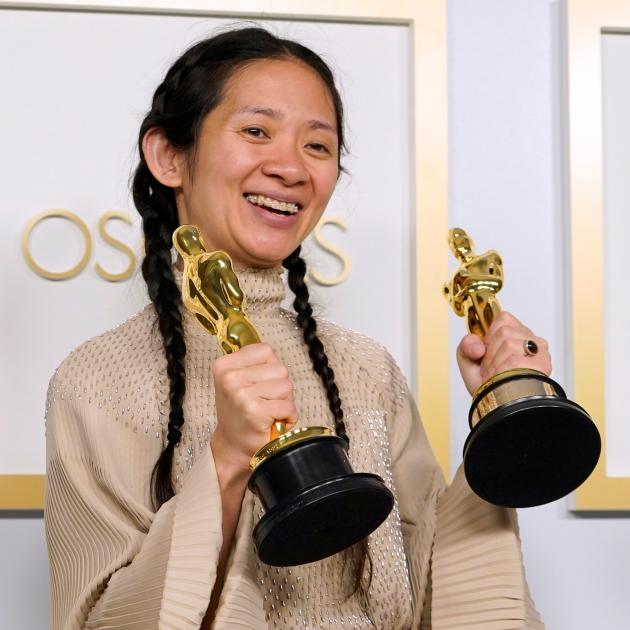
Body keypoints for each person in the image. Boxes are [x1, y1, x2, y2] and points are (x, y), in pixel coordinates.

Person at [45, 26, 549, 629]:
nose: (289, 167)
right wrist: (228, 462)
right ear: (169, 156)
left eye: (318, 146)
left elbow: (436, 594)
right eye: (256, 131)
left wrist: (506, 418)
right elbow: (99, 619)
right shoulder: (96, 380)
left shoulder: (366, 370)